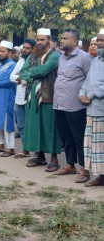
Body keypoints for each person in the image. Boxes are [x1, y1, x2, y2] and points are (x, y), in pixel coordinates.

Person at [53, 29, 92, 181]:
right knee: (66, 136)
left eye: (65, 38)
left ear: (74, 41)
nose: (61, 41)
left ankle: (84, 168)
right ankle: (70, 164)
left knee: (79, 137)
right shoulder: (62, 57)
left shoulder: (85, 58)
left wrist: (85, 96)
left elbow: (90, 79)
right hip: (59, 103)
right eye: (61, 38)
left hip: (76, 105)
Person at [20, 28, 61, 171]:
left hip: (48, 96)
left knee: (49, 128)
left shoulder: (54, 55)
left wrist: (32, 72)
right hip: (32, 97)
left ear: (49, 40)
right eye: (37, 39)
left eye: (42, 40)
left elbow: (45, 70)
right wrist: (32, 73)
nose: (39, 42)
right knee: (35, 127)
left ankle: (54, 159)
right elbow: (22, 72)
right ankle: (40, 156)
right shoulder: (32, 56)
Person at [80, 29, 104, 187]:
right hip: (92, 110)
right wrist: (81, 94)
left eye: (103, 41)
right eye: (99, 40)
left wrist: (91, 95)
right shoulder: (96, 61)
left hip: (101, 110)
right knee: (95, 145)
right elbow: (87, 81)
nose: (100, 43)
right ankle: (100, 176)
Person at [10, 38, 36, 159]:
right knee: (21, 125)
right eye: (23, 48)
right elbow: (11, 76)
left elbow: (32, 78)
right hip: (19, 98)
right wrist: (20, 78)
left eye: (27, 48)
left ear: (32, 50)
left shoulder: (35, 61)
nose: (24, 50)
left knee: (31, 126)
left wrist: (22, 78)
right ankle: (25, 150)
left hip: (31, 98)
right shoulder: (20, 62)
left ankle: (35, 152)